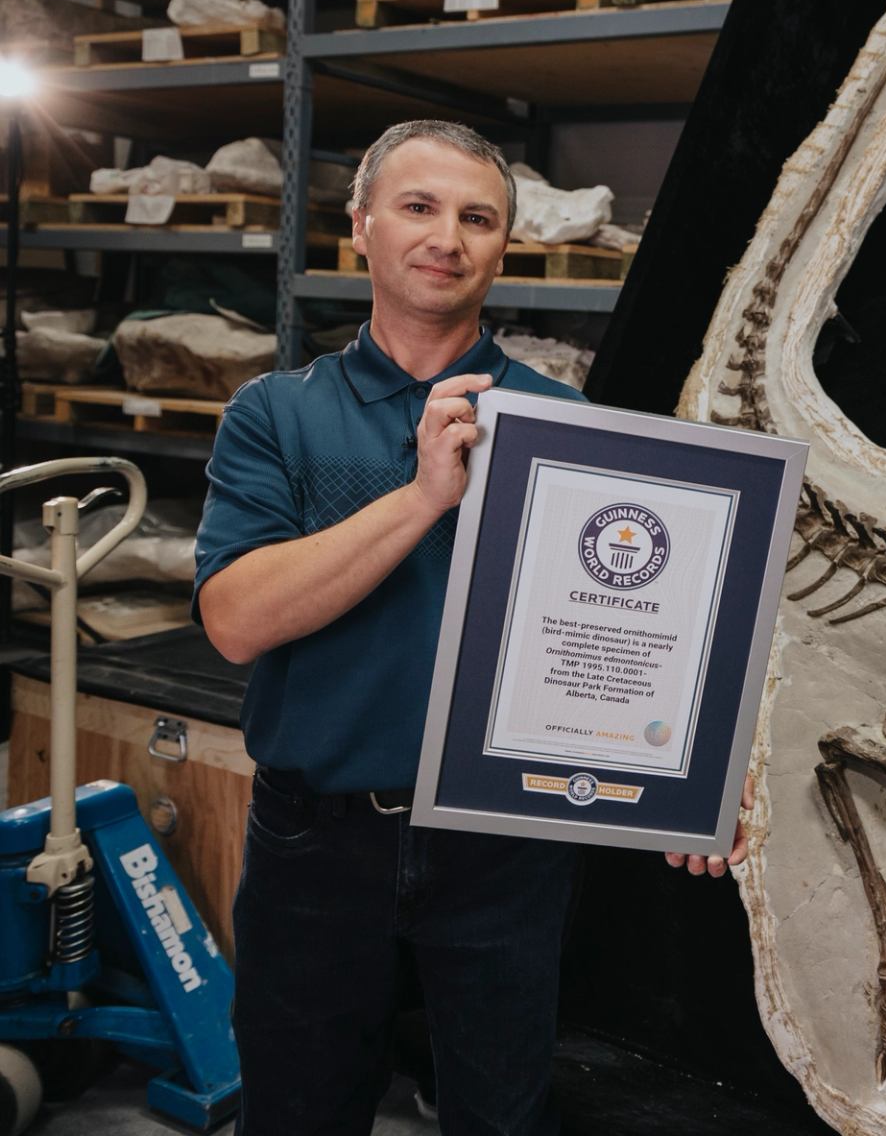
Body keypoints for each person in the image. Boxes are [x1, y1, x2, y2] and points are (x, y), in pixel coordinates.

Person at [194, 119, 747, 1135]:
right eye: (418, 206)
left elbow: (639, 619)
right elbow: (234, 620)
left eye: (477, 216)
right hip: (320, 841)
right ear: (360, 226)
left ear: (504, 246)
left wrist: (697, 773)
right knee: (298, 1112)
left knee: (501, 1115)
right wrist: (420, 495)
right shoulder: (278, 413)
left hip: (505, 846)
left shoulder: (566, 424)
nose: (447, 235)